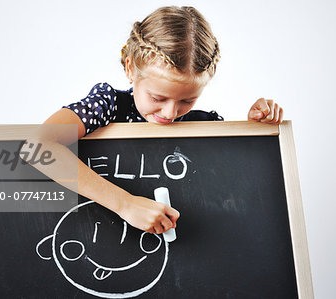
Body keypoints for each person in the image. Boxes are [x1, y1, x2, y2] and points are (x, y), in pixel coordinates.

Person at [21, 6, 283, 235]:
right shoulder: (108, 106)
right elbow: (38, 146)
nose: (170, 113)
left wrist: (254, 133)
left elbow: (231, 190)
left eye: (186, 101)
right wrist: (125, 204)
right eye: (158, 97)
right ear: (130, 69)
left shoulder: (202, 125)